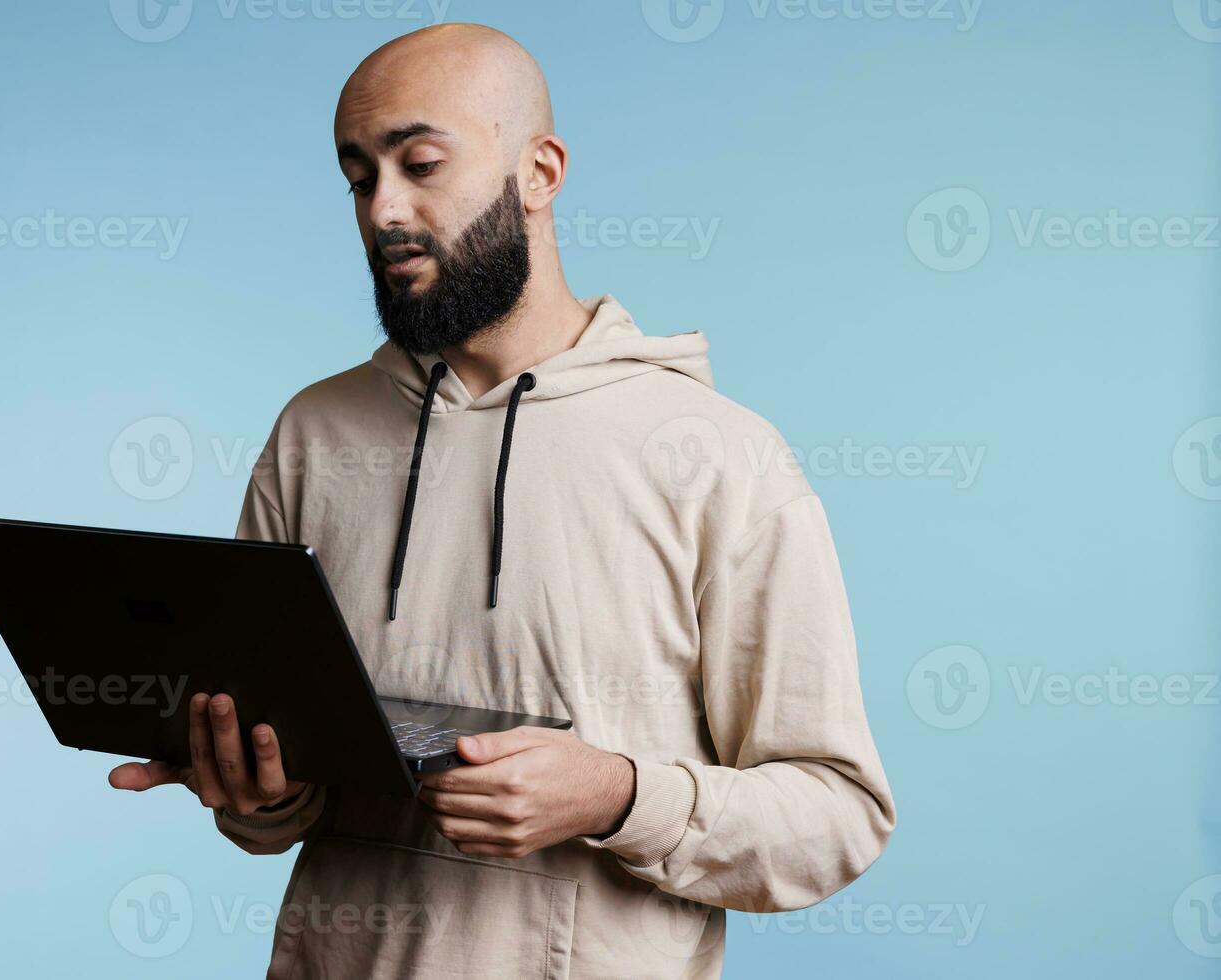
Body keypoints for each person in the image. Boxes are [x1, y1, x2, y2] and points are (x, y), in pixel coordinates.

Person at [109, 22, 895, 979]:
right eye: (359, 178)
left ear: (540, 171)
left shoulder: (721, 457)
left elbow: (835, 815)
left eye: (421, 163)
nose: (383, 210)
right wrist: (257, 791)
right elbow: (283, 811)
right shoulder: (314, 432)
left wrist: (617, 795)